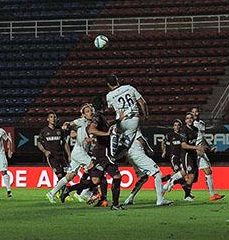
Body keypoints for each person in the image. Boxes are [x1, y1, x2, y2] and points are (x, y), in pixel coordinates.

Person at [105, 75, 171, 206]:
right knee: (157, 172)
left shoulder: (109, 95)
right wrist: (146, 115)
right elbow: (143, 102)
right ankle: (160, 199)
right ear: (118, 80)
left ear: (108, 84)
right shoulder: (129, 87)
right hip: (133, 121)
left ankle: (129, 198)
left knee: (143, 176)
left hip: (122, 122)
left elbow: (110, 108)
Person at [58, 104, 99, 203]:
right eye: (87, 111)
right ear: (84, 114)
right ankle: (85, 193)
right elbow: (72, 124)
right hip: (79, 152)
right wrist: (67, 125)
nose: (90, 113)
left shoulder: (93, 123)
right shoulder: (81, 121)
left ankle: (55, 192)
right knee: (95, 169)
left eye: (91, 111)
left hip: (84, 152)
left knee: (71, 175)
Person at [189, 107, 224, 201]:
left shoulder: (201, 124)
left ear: (199, 112)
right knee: (187, 173)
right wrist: (194, 148)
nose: (194, 113)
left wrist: (211, 146)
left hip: (201, 151)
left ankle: (212, 195)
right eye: (193, 112)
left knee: (207, 171)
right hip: (194, 151)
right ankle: (167, 186)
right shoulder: (190, 125)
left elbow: (203, 138)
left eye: (196, 111)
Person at [38, 112, 72, 203]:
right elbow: (39, 143)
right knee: (60, 175)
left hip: (61, 155)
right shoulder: (44, 131)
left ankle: (61, 192)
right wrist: (45, 151)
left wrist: (69, 155)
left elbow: (65, 143)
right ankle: (60, 193)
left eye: (55, 117)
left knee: (65, 175)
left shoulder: (60, 130)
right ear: (48, 119)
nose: (53, 118)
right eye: (51, 117)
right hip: (52, 156)